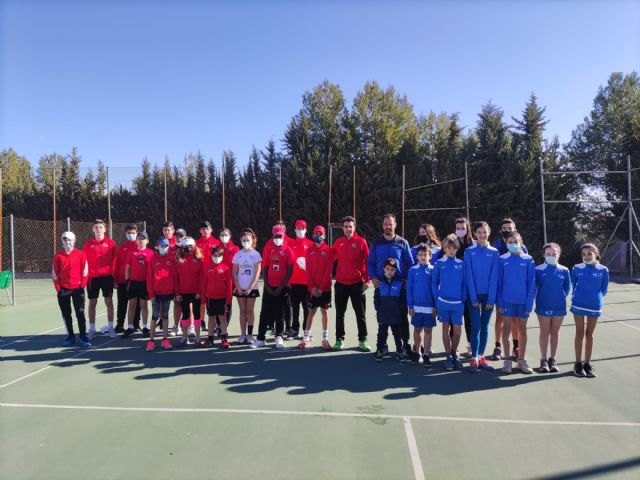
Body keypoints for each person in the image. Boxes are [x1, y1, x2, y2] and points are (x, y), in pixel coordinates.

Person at [367, 213, 414, 357]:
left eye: (391, 224)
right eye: (386, 224)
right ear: (383, 226)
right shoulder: (376, 243)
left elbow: (410, 263)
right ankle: (383, 345)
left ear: (395, 225)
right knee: (383, 316)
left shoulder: (403, 242)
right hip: (382, 285)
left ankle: (405, 345)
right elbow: (370, 263)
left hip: (399, 287)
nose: (388, 227)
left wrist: (406, 280)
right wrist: (373, 278)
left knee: (401, 316)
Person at [497, 231, 535, 374]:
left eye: (516, 242)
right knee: (506, 330)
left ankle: (521, 360)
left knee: (522, 330)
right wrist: (500, 303)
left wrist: (528, 304)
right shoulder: (501, 260)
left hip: (522, 303)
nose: (513, 244)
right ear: (506, 243)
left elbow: (532, 284)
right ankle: (507, 361)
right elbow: (499, 283)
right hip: (506, 303)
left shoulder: (529, 260)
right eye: (510, 242)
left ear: (521, 242)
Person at [251, 225, 295, 349]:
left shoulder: (288, 250)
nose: (277, 238)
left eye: (280, 236)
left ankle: (279, 337)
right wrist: (267, 285)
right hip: (269, 287)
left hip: (283, 288)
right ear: (272, 236)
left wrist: (281, 287)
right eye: (275, 236)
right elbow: (265, 267)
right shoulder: (268, 248)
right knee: (264, 312)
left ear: (283, 236)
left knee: (280, 313)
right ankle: (260, 338)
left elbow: (290, 271)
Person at [331, 216, 371, 352]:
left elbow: (368, 262)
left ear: (354, 227)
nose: (348, 229)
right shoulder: (338, 242)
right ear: (342, 228)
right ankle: (339, 339)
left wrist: (368, 280)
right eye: (346, 226)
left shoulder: (361, 242)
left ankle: (363, 340)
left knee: (360, 314)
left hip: (357, 284)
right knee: (339, 314)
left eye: (350, 226)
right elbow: (329, 258)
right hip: (341, 284)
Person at [464, 221, 499, 373]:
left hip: (488, 298)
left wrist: (491, 299)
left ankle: (481, 356)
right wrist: (473, 298)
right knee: (476, 326)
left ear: (489, 233)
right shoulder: (469, 252)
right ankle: (474, 358)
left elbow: (494, 276)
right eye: (479, 232)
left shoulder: (494, 252)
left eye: (484, 232)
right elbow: (468, 276)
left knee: (485, 326)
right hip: (473, 297)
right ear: (475, 233)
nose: (482, 235)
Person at [491, 218, 528, 360]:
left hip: (517, 293)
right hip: (502, 291)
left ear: (515, 229)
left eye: (510, 228)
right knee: (500, 318)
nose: (507, 231)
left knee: (515, 320)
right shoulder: (496, 247)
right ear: (501, 231)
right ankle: (497, 346)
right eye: (505, 229)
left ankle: (516, 347)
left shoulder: (522, 249)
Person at [571, 243, 609, 378]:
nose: (586, 256)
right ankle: (578, 363)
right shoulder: (576, 268)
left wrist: (594, 298)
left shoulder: (603, 270)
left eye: (589, 253)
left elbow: (604, 289)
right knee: (579, 333)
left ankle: (587, 363)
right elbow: (573, 284)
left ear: (595, 254)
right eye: (584, 254)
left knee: (590, 335)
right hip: (578, 305)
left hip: (594, 306)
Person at [534, 242, 571, 373]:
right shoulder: (538, 270)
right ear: (544, 255)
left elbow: (567, 288)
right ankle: (543, 360)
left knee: (555, 333)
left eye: (554, 254)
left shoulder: (565, 270)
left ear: (559, 255)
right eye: (548, 254)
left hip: (559, 307)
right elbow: (534, 287)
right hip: (543, 305)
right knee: (544, 332)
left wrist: (558, 298)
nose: (551, 256)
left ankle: (553, 359)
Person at [432, 234, 467, 370]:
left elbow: (464, 283)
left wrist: (462, 298)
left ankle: (454, 353)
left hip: (457, 304)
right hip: (443, 302)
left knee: (457, 331)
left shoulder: (461, 264)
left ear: (457, 249)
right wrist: (437, 298)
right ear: (444, 249)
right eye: (448, 248)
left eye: (453, 248)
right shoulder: (439, 263)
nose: (451, 250)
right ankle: (448, 356)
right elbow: (434, 282)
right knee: (445, 329)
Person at [53, 231, 91, 347]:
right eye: (65, 240)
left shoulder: (81, 254)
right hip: (63, 290)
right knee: (66, 314)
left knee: (80, 313)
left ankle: (83, 336)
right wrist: (58, 288)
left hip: (77, 289)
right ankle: (70, 336)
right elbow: (55, 273)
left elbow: (85, 271)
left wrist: (82, 285)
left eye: (69, 240)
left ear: (74, 241)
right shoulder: (58, 256)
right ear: (62, 241)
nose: (67, 242)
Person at [299, 225, 332, 349]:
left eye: (320, 234)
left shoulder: (328, 250)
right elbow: (308, 271)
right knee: (311, 312)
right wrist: (312, 287)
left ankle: (325, 339)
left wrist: (322, 288)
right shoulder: (309, 251)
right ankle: (306, 338)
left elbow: (328, 271)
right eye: (316, 234)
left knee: (324, 312)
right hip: (312, 289)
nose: (318, 236)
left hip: (325, 289)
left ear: (324, 236)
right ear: (313, 235)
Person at [83, 218, 117, 339]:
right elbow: (84, 262)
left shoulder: (111, 243)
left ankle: (111, 327)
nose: (98, 229)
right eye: (96, 227)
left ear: (105, 229)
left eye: (101, 227)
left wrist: (115, 277)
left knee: (109, 302)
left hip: (107, 278)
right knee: (92, 302)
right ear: (93, 229)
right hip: (92, 279)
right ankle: (92, 329)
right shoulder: (88, 244)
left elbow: (115, 261)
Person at [406, 244, 436, 367]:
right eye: (420, 255)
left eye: (425, 254)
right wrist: (410, 306)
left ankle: (426, 354)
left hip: (430, 308)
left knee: (428, 331)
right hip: (416, 308)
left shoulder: (434, 270)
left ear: (430, 256)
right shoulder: (412, 271)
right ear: (417, 256)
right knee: (417, 330)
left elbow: (435, 289)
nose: (423, 257)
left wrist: (435, 305)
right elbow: (409, 289)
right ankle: (417, 352)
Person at [145, 238, 176, 351]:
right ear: (157, 247)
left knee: (165, 315)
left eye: (166, 246)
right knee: (155, 316)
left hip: (167, 293)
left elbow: (174, 277)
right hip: (156, 294)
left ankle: (165, 339)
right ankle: (151, 340)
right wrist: (151, 294)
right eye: (162, 246)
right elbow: (149, 279)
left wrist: (174, 292)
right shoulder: (152, 260)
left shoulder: (171, 260)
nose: (164, 248)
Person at [232, 228, 262, 344]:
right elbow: (234, 272)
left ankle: (250, 335)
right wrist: (238, 287)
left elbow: (257, 272)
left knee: (250, 311)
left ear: (252, 240)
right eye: (244, 240)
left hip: (252, 288)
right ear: (240, 240)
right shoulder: (237, 255)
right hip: (240, 288)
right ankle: (242, 335)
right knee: (242, 311)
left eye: (248, 240)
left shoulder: (256, 254)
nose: (246, 242)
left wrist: (250, 288)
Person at [122, 231, 154, 338]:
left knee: (144, 306)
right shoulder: (131, 252)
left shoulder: (151, 253)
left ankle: (145, 327)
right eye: (139, 238)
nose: (141, 240)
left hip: (145, 283)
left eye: (143, 238)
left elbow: (153, 269)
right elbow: (127, 267)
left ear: (147, 241)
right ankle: (130, 327)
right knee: (131, 305)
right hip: (133, 282)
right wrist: (127, 281)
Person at [374, 259, 406, 361]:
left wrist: (400, 310)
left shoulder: (400, 283)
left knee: (397, 334)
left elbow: (403, 299)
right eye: (387, 269)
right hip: (383, 314)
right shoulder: (379, 283)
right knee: (382, 333)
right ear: (384, 269)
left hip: (396, 314)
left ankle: (399, 351)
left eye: (392, 269)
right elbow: (376, 299)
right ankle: (379, 350)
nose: (390, 271)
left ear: (395, 271)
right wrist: (379, 309)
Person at [202, 246, 233, 348]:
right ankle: (210, 338)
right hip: (210, 299)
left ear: (222, 256)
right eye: (214, 256)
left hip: (222, 298)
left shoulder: (226, 268)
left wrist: (228, 301)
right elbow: (204, 284)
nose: (216, 257)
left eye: (219, 256)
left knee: (222, 318)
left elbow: (229, 286)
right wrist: (203, 299)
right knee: (211, 318)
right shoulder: (207, 267)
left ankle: (224, 338)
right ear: (211, 256)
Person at [175, 236, 204, 345]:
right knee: (185, 314)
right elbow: (176, 278)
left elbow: (201, 278)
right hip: (183, 293)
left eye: (190, 246)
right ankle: (184, 336)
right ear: (182, 247)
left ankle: (197, 337)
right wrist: (177, 293)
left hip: (196, 293)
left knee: (197, 315)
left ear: (194, 246)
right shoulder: (179, 260)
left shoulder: (199, 259)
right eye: (186, 246)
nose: (188, 248)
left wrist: (199, 292)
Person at [287, 219, 313, 340]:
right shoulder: (290, 244)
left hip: (307, 283)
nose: (300, 230)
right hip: (293, 283)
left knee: (307, 308)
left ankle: (307, 331)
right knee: (294, 307)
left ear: (306, 230)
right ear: (295, 230)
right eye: (298, 228)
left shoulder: (311, 244)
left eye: (302, 228)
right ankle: (295, 330)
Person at [114, 224, 139, 333]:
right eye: (129, 233)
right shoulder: (121, 248)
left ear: (137, 233)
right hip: (122, 280)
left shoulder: (139, 246)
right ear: (125, 234)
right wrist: (115, 279)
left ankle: (135, 324)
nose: (131, 235)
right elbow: (116, 264)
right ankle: (120, 324)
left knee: (136, 304)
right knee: (122, 303)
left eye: (133, 233)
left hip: (135, 281)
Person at [196, 221, 221, 331]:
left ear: (211, 229)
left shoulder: (217, 242)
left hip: (213, 275)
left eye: (207, 228)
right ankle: (201, 321)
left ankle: (216, 323)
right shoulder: (196, 243)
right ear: (200, 231)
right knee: (201, 300)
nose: (205, 230)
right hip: (199, 276)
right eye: (203, 229)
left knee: (213, 299)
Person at [219, 227, 239, 331]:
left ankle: (225, 325)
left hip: (230, 281)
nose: (224, 237)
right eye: (222, 235)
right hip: (217, 280)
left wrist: (236, 284)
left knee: (228, 304)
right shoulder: (216, 247)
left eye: (226, 235)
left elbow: (237, 267)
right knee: (217, 303)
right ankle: (219, 325)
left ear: (230, 236)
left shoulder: (235, 249)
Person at [170, 228, 187, 336]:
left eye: (181, 236)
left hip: (187, 281)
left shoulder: (188, 249)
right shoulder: (171, 248)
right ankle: (176, 326)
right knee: (177, 303)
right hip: (175, 281)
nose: (179, 237)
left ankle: (189, 326)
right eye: (177, 236)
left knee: (188, 305)